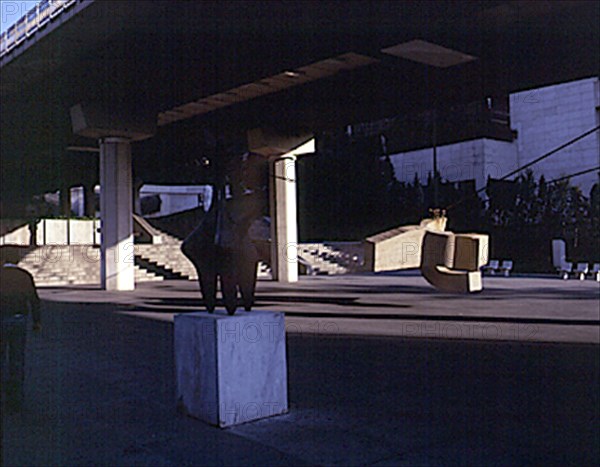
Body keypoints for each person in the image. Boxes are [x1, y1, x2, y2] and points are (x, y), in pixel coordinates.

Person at [1, 251, 41, 412]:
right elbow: (33, 298)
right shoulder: (25, 275)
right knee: (17, 359)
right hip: (19, 319)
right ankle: (15, 398)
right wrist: (37, 321)